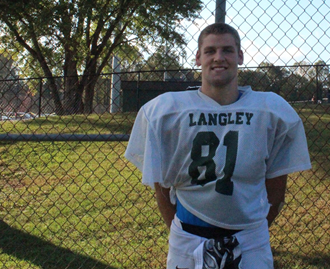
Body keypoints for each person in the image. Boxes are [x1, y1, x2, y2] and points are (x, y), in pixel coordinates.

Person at [125, 23, 311, 269]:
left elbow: (276, 191)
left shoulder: (269, 110)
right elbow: (161, 186)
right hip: (188, 237)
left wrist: (253, 233)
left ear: (240, 56)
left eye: (228, 50)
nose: (219, 58)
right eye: (210, 50)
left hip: (250, 239)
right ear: (198, 58)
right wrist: (180, 231)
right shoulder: (166, 111)